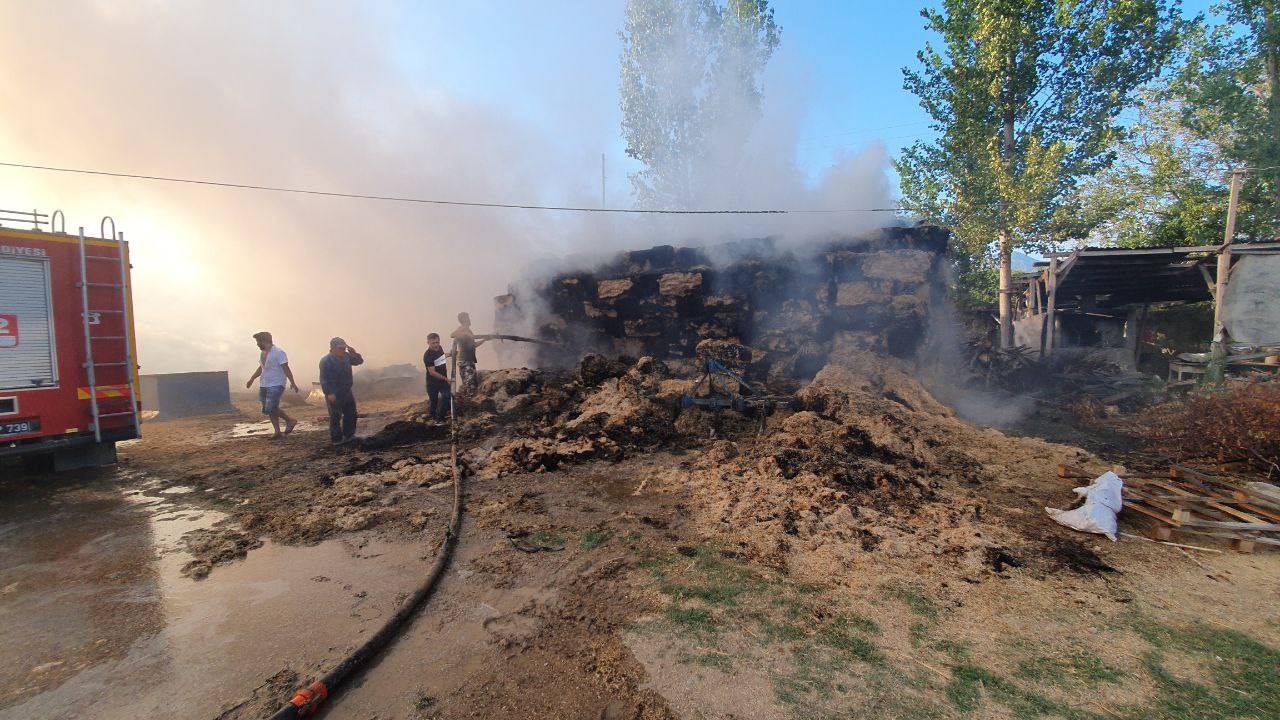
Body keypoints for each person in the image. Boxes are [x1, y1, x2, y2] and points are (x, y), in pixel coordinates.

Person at [245, 331, 299, 439]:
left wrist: (292, 382)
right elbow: (261, 368)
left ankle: (290, 420)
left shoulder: (279, 353)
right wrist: (252, 379)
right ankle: (277, 431)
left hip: (276, 383)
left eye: (258, 342)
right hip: (264, 383)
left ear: (264, 341)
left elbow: (286, 368)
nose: (257, 344)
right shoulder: (263, 353)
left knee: (271, 407)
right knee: (267, 408)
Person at [319, 337, 364, 444]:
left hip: (347, 390)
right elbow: (323, 379)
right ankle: (336, 439)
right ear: (332, 348)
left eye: (344, 348)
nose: (342, 350)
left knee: (351, 413)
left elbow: (359, 361)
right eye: (340, 348)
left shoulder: (347, 356)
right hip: (334, 392)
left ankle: (349, 435)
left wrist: (354, 353)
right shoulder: (325, 361)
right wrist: (329, 393)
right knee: (335, 415)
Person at [450, 312, 486, 396]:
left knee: (470, 383)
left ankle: (469, 399)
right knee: (470, 385)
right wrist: (466, 333)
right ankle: (470, 400)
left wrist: (484, 340)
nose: (470, 320)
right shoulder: (462, 328)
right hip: (465, 361)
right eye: (468, 318)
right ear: (465, 319)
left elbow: (473, 345)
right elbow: (452, 335)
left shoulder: (469, 330)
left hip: (469, 360)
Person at [423, 332, 451, 422]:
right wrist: (446, 379)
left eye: (437, 342)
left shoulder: (439, 348)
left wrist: (449, 354)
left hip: (442, 381)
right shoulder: (427, 356)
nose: (436, 345)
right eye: (433, 343)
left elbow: (440, 358)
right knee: (434, 401)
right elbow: (432, 372)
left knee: (447, 396)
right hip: (432, 383)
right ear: (428, 343)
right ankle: (432, 417)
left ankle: (440, 419)